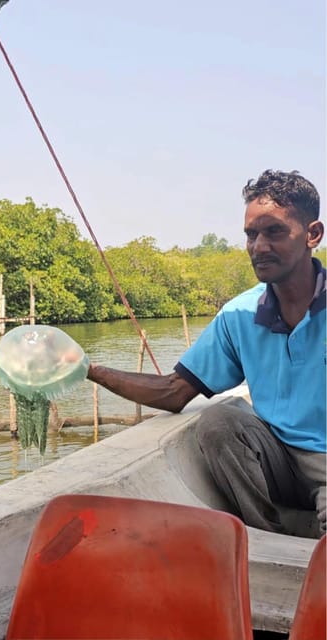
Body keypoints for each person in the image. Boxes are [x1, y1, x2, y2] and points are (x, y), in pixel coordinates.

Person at [88, 169, 326, 537]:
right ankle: (266, 537)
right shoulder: (238, 315)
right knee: (219, 421)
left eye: (274, 231)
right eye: (251, 234)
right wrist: (88, 369)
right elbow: (173, 392)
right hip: (277, 458)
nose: (259, 246)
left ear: (312, 234)